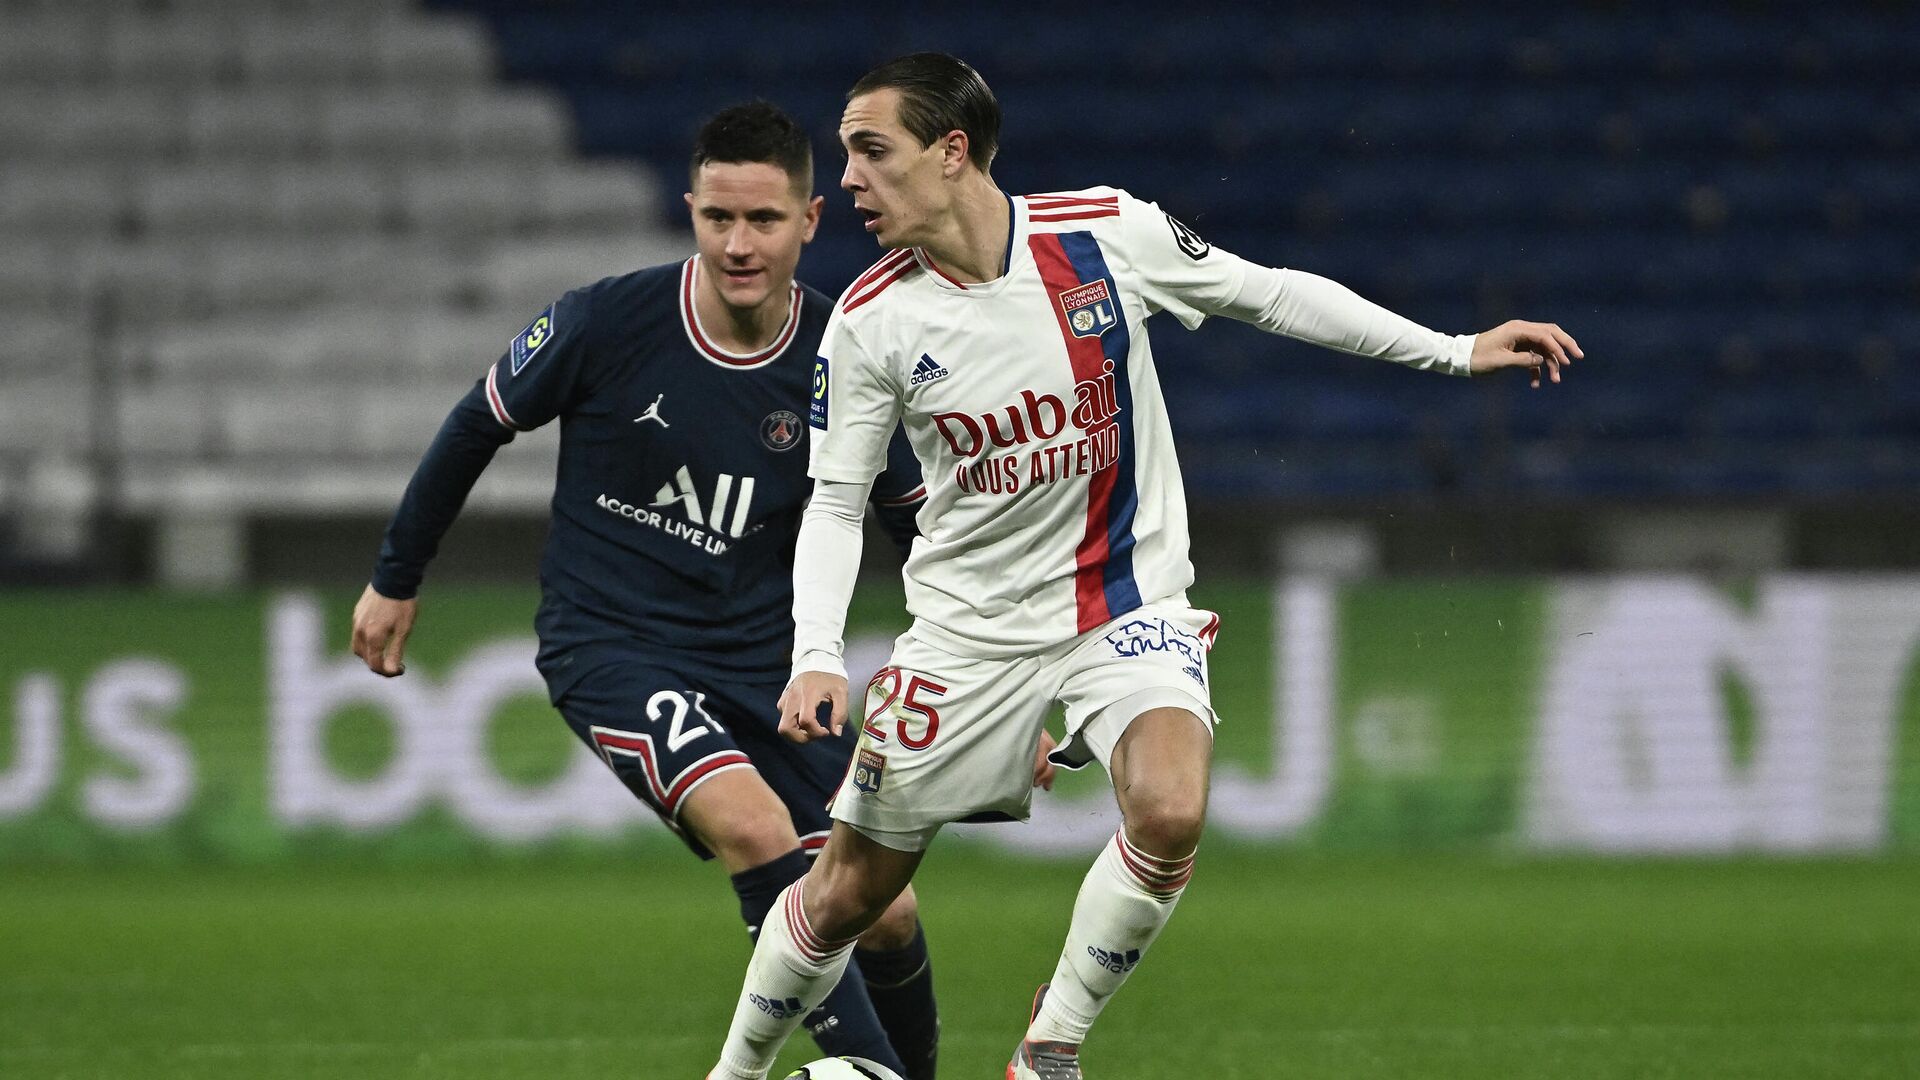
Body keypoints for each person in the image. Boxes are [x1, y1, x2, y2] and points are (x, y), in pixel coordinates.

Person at [705, 55, 1583, 1080]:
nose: (847, 178)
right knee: (850, 891)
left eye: (870, 149)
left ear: (951, 153)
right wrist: (816, 653)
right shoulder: (870, 320)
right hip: (968, 635)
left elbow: (1270, 294)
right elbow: (837, 501)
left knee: (1168, 810)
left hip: (1125, 604)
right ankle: (734, 1073)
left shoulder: (1103, 233)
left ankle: (1049, 1049)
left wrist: (1454, 350)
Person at [349, 101, 992, 1080]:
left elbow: (916, 522)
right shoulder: (606, 321)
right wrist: (396, 578)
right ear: (691, 210)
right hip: (611, 645)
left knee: (888, 909)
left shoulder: (846, 356)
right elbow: (477, 423)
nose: (739, 244)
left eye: (764, 221)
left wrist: (994, 662)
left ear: (810, 221)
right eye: (718, 219)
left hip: (764, 671)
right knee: (754, 828)